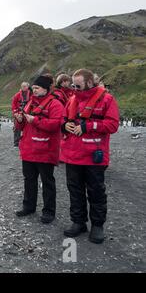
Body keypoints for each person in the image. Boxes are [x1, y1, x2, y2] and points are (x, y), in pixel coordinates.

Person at [61, 69, 119, 244]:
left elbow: (113, 124)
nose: (75, 88)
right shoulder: (71, 100)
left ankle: (97, 225)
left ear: (89, 83)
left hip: (94, 156)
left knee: (96, 191)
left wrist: (89, 126)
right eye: (73, 84)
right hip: (72, 154)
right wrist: (65, 126)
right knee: (75, 190)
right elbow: (63, 119)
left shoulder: (107, 99)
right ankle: (78, 222)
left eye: (78, 85)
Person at [14, 75, 64, 224]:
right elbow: (20, 127)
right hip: (29, 149)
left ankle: (49, 211)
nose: (33, 91)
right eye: (33, 88)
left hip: (46, 149)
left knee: (47, 181)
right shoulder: (30, 103)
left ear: (46, 89)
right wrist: (20, 120)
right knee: (29, 179)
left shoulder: (56, 104)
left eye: (37, 88)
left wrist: (35, 120)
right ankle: (29, 206)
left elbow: (56, 125)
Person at [11, 82, 31, 147]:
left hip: (28, 114)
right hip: (18, 113)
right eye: (22, 86)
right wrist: (15, 112)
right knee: (17, 128)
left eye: (25, 86)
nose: (23, 87)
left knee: (28, 128)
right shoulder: (17, 95)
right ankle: (16, 143)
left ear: (28, 87)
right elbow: (13, 104)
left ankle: (27, 142)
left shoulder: (31, 94)